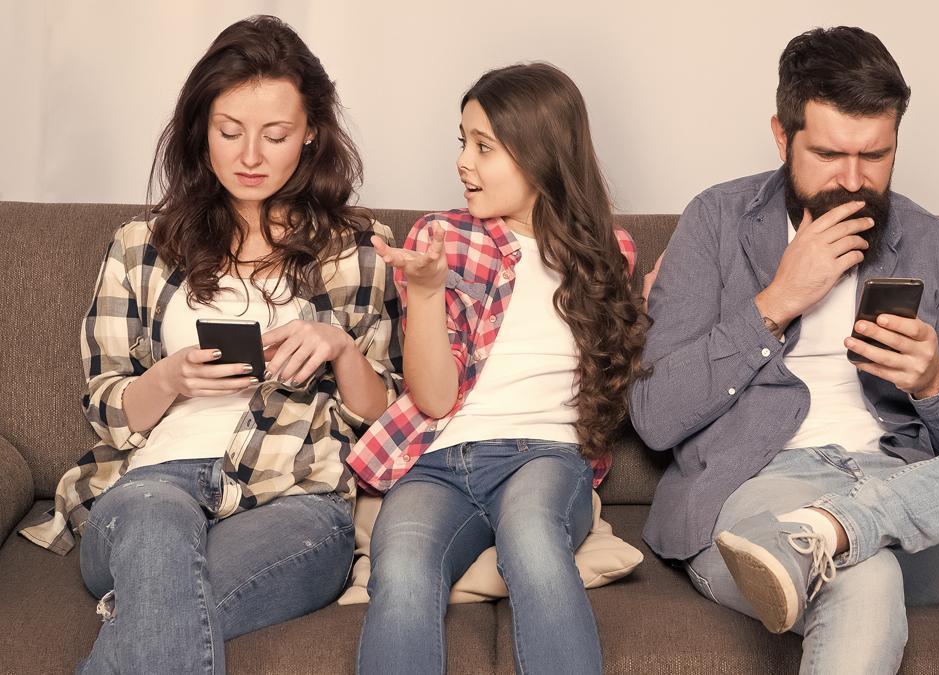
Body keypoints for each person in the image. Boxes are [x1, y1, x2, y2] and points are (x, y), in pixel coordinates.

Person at [630, 26, 939, 674]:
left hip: (921, 496)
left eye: (875, 155)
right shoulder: (715, 222)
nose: (853, 179)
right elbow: (652, 415)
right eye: (830, 154)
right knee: (862, 577)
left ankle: (843, 526)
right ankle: (834, 535)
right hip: (767, 495)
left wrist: (935, 385)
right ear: (782, 136)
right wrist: (776, 302)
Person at [19, 16, 402, 674]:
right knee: (156, 518)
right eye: (230, 132)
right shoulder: (140, 245)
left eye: (275, 135)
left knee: (159, 603)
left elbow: (385, 413)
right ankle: (148, 602)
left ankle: (140, 612)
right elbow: (107, 406)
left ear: (311, 132)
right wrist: (169, 378)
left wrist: (339, 346)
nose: (250, 156)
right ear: (201, 129)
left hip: (293, 500)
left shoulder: (357, 248)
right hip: (148, 488)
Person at [349, 63, 646, 674]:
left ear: (542, 154)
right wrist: (426, 294)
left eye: (484, 146)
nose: (464, 161)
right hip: (438, 461)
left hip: (545, 456)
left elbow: (613, 376)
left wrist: (649, 310)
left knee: (533, 540)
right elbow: (433, 399)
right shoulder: (442, 239)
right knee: (399, 565)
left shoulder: (608, 252)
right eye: (462, 141)